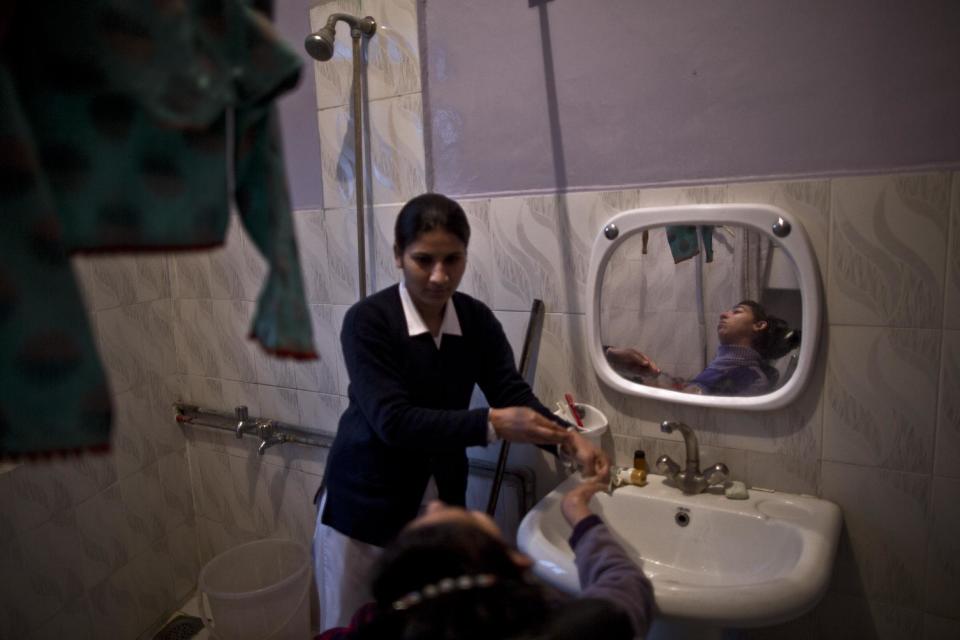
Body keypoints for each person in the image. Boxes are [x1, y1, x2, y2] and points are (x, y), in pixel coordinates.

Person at [314, 193, 610, 630]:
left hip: (438, 504)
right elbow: (392, 421)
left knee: (430, 626)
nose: (439, 276)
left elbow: (511, 393)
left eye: (452, 259)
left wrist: (568, 438)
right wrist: (490, 424)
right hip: (366, 503)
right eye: (424, 260)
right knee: (351, 627)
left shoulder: (475, 320)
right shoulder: (368, 321)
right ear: (398, 255)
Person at [317, 477, 655, 640]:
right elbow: (625, 583)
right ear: (518, 560)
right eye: (452, 521)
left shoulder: (369, 630)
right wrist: (577, 511)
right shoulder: (584, 629)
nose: (434, 504)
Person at [604, 300, 799, 396]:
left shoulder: (752, 379)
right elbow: (688, 394)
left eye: (736, 312)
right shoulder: (725, 368)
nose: (724, 314)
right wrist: (648, 373)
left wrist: (651, 377)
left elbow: (691, 407)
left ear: (759, 325)